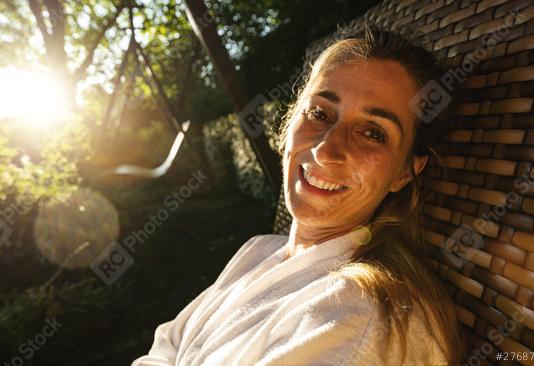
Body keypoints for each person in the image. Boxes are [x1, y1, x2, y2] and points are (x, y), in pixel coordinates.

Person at [132, 22, 466, 366]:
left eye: (372, 133)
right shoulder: (258, 250)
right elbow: (167, 345)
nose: (326, 150)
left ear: (407, 170)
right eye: (320, 113)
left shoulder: (361, 316)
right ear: (290, 122)